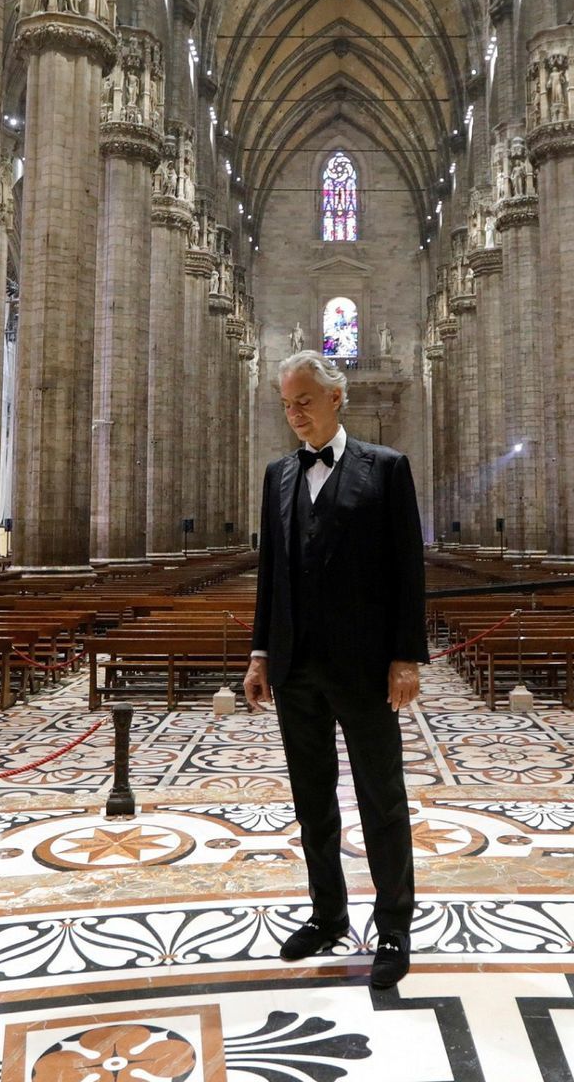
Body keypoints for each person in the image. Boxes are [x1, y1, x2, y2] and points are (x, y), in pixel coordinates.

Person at [243, 350, 427, 990]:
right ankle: (327, 914)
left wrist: (405, 657)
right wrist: (260, 653)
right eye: (286, 404)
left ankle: (394, 926)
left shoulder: (386, 468)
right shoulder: (278, 475)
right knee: (312, 801)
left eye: (304, 401)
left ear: (335, 398)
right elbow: (271, 574)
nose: (295, 414)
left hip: (365, 667)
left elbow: (408, 570)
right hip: (296, 668)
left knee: (382, 799)